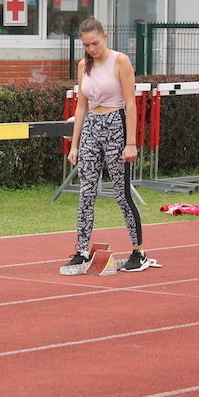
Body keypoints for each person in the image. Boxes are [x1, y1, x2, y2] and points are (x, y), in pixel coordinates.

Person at [65, 17, 146, 271]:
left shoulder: (120, 61)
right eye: (86, 45)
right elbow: (81, 106)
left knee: (122, 193)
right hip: (92, 125)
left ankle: (138, 251)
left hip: (116, 124)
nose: (91, 49)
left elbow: (131, 103)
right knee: (86, 191)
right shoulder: (83, 66)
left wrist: (130, 143)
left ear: (105, 37)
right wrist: (75, 144)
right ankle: (81, 250)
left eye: (95, 43)